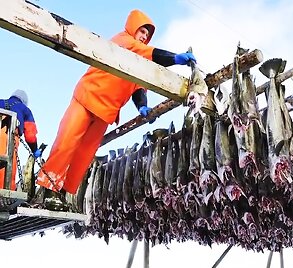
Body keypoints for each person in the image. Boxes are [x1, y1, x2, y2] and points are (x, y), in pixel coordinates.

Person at [36, 9, 196, 196]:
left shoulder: (140, 61)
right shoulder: (123, 40)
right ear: (132, 27)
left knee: (84, 155)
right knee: (66, 142)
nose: (144, 36)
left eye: (147, 34)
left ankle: (64, 193)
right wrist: (174, 58)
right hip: (87, 98)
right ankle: (46, 189)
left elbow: (138, 86)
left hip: (107, 112)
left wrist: (142, 105)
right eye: (142, 31)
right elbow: (147, 53)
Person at [0, 90, 42, 190]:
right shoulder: (24, 110)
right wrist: (34, 149)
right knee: (6, 174)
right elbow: (31, 135)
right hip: (8, 141)